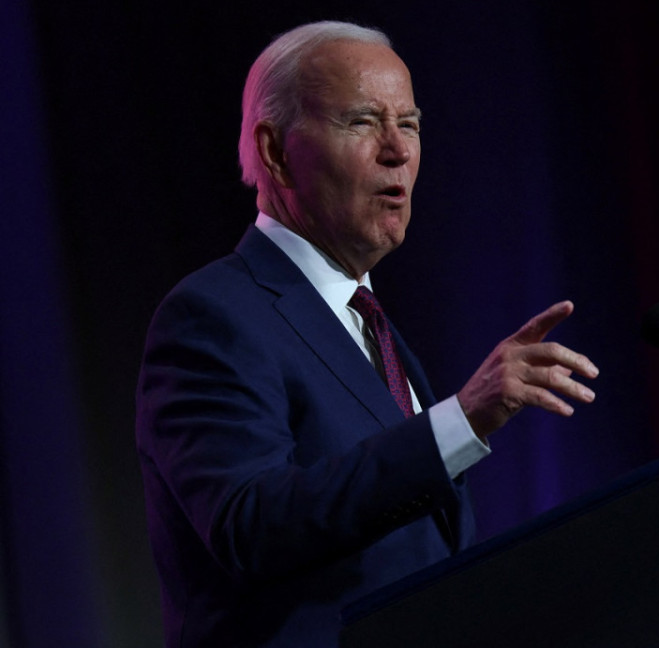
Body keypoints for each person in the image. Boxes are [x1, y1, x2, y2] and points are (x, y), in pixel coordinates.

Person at [134, 21, 599, 647]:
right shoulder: (214, 316)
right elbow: (252, 524)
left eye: (408, 124)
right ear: (274, 152)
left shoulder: (371, 326)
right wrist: (458, 423)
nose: (397, 151)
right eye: (362, 122)